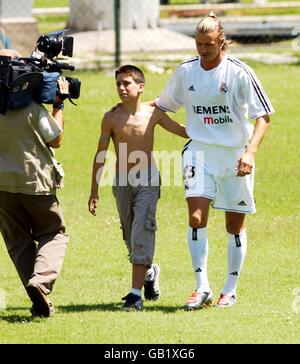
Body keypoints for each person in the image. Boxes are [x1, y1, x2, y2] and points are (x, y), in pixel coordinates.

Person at [155, 13, 274, 309]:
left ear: (221, 42)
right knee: (196, 218)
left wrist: (250, 152)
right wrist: (130, 108)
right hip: (199, 154)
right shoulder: (185, 72)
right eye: (198, 44)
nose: (203, 50)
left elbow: (263, 116)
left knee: (234, 226)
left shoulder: (239, 72)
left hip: (235, 156)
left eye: (209, 44)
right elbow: (162, 105)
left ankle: (230, 289)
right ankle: (201, 287)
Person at [88, 65, 188, 311]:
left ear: (140, 87)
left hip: (148, 179)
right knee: (130, 239)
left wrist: (216, 131)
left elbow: (184, 131)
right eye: (118, 84)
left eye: (127, 83)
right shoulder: (110, 117)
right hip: (121, 182)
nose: (122, 88)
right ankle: (150, 274)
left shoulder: (154, 114)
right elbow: (101, 155)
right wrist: (94, 190)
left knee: (142, 229)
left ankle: (135, 295)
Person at [0, 49, 70, 318]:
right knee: (54, 233)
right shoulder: (31, 108)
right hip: (35, 182)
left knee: (18, 242)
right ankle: (40, 282)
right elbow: (56, 139)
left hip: (3, 187)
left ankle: (38, 298)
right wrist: (59, 104)